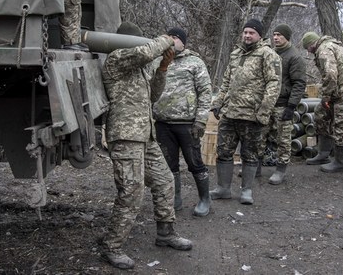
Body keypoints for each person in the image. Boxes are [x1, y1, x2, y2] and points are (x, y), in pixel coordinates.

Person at [100, 22, 192, 269]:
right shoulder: (117, 58)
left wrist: (163, 68)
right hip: (126, 137)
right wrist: (168, 39)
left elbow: (153, 95)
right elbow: (144, 52)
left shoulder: (140, 67)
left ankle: (165, 233)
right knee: (131, 192)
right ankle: (112, 246)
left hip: (145, 136)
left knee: (164, 180)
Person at [209, 19, 281, 205]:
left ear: (259, 35)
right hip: (229, 114)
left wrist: (264, 111)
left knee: (250, 154)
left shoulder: (268, 55)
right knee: (223, 152)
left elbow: (274, 84)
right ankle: (223, 188)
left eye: (252, 33)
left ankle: (246, 190)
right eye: (245, 32)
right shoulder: (235, 54)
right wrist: (217, 103)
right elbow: (225, 82)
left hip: (252, 116)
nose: (248, 35)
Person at [153, 27, 213, 217]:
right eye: (168, 37)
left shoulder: (195, 63)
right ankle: (175, 199)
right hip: (163, 123)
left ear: (183, 43)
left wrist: (201, 121)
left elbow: (205, 93)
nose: (171, 41)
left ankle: (205, 199)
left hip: (187, 124)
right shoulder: (158, 61)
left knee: (194, 162)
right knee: (169, 165)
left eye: (175, 38)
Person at [301, 31, 343, 172]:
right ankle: (323, 154)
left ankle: (340, 163)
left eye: (307, 48)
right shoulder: (328, 46)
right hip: (338, 90)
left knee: (341, 124)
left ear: (311, 45)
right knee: (320, 114)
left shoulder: (324, 49)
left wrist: (326, 97)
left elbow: (330, 74)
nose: (307, 51)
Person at [265, 24, 306, 185]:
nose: (275, 38)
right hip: (268, 102)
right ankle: (256, 168)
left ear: (287, 37)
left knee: (283, 139)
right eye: (274, 34)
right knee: (261, 136)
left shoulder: (294, 57)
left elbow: (299, 83)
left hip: (283, 104)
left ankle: (280, 170)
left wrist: (291, 106)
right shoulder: (271, 53)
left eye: (279, 35)